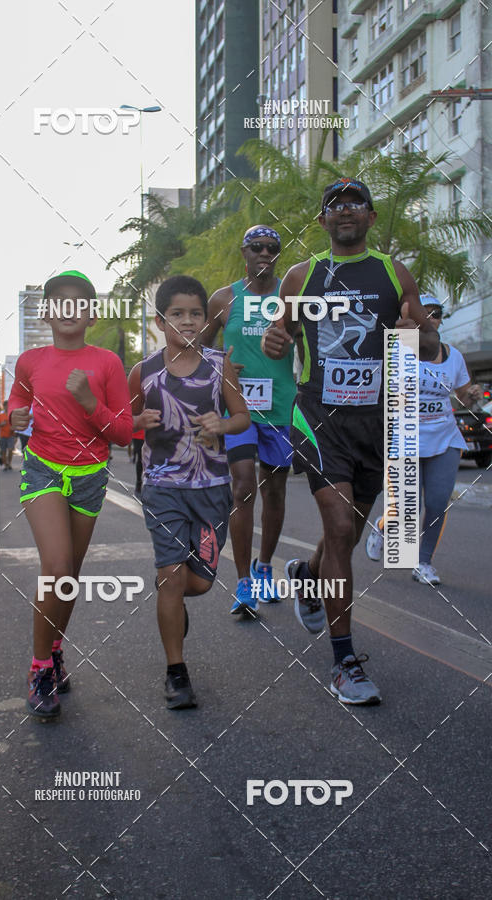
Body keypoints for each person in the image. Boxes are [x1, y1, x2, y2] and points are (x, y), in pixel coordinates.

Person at [263, 178, 440, 705]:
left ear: (371, 215)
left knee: (346, 532)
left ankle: (306, 574)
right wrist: (276, 339)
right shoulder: (302, 275)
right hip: (319, 418)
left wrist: (416, 333)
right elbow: (279, 341)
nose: (346, 211)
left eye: (356, 203)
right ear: (322, 221)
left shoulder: (393, 272)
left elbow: (428, 347)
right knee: (339, 526)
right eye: (336, 205)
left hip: (377, 422)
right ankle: (344, 663)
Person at [8, 270, 132, 719]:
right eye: (58, 301)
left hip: (90, 474)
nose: (67, 308)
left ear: (91, 313)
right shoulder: (30, 361)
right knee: (56, 565)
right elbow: (14, 409)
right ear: (47, 311)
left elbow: (122, 432)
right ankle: (40, 669)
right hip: (42, 470)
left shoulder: (107, 363)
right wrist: (15, 421)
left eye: (78, 301)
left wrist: (88, 403)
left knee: (69, 577)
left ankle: (56, 649)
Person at [129, 275, 250, 709]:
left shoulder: (220, 365)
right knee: (172, 577)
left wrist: (223, 425)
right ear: (160, 321)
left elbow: (242, 417)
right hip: (162, 489)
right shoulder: (142, 372)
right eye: (176, 314)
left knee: (197, 583)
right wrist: (135, 425)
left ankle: (173, 596)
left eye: (195, 313)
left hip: (212, 489)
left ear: (205, 319)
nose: (187, 320)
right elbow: (126, 423)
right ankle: (176, 673)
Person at [201, 225, 297, 615]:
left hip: (280, 407)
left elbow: (309, 342)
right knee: (242, 488)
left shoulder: (290, 300)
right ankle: (243, 582)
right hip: (238, 407)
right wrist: (220, 366)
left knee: (274, 492)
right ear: (244, 252)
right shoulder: (224, 299)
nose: (264, 253)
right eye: (256, 247)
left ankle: (263, 568)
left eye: (272, 248)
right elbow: (200, 347)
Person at [365, 298, 482, 585]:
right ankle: (383, 526)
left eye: (437, 314)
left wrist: (473, 396)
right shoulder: (397, 349)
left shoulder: (453, 356)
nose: (431, 318)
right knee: (405, 509)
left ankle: (423, 563)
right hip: (404, 439)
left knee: (437, 503)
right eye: (425, 312)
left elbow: (463, 395)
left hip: (445, 438)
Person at [0, 401, 15, 470]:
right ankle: (5, 465)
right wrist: (1, 424)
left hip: (11, 435)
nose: (7, 407)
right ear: (3, 406)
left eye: (8, 405)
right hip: (3, 436)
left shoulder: (12, 415)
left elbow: (16, 424)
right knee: (4, 451)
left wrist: (13, 428)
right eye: (5, 406)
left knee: (10, 450)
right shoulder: (0, 416)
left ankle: (9, 463)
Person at [130, 426, 144, 498]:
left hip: (152, 432)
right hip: (139, 434)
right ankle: (139, 482)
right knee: (141, 458)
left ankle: (150, 482)